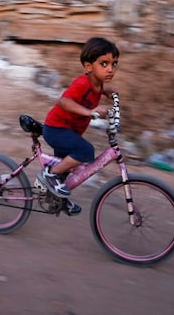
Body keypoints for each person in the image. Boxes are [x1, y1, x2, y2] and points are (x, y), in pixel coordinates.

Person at [37, 36, 119, 215]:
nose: (110, 69)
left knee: (66, 170)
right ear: (89, 66)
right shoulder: (83, 83)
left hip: (69, 131)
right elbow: (64, 101)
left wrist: (105, 91)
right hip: (56, 128)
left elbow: (95, 91)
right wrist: (90, 112)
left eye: (114, 64)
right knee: (85, 152)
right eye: (104, 64)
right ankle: (48, 176)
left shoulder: (98, 84)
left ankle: (57, 200)